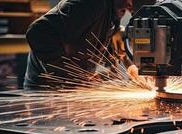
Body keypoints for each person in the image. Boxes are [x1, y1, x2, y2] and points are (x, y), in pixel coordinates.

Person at [24, 0, 153, 89]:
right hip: (47, 92)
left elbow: (89, 36)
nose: (130, 8)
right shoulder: (90, 4)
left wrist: (129, 65)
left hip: (72, 94)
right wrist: (71, 78)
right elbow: (38, 33)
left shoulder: (116, 9)